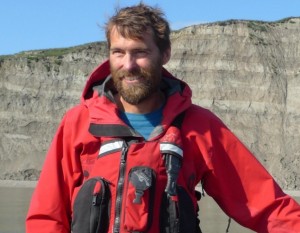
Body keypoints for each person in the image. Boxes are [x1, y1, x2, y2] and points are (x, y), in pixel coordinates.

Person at [26, 3, 300, 233]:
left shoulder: (199, 126)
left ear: (164, 54)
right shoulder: (78, 123)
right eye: (118, 52)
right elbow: (47, 217)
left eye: (140, 52)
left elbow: (265, 205)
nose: (128, 65)